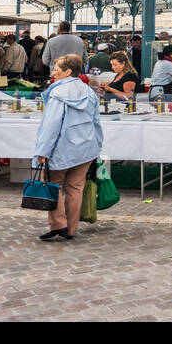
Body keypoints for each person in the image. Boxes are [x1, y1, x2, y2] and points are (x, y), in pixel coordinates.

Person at [33, 54, 103, 240]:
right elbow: (96, 122)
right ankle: (71, 229)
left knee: (52, 184)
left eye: (57, 69)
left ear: (68, 71)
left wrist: (42, 151)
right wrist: (97, 145)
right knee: (75, 188)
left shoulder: (57, 94)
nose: (53, 72)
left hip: (61, 148)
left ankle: (58, 224)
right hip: (86, 148)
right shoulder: (89, 92)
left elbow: (51, 126)